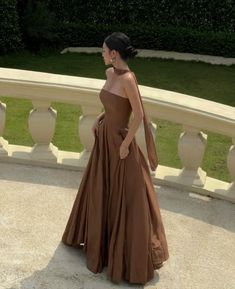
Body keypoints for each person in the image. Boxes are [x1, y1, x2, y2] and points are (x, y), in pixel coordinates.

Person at [61, 31, 169, 285]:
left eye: (103, 50)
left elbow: (138, 115)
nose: (101, 54)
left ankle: (125, 257)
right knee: (101, 191)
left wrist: (126, 146)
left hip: (119, 145)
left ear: (114, 54)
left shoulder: (129, 79)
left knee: (126, 199)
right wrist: (100, 119)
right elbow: (112, 106)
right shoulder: (110, 74)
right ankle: (102, 244)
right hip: (104, 144)